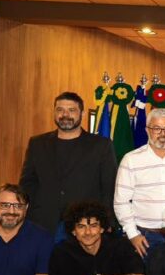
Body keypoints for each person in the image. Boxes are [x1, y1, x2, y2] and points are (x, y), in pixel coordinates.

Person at [19, 92, 117, 241]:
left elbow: (109, 186)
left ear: (82, 114)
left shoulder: (101, 146)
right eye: (60, 110)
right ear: (54, 112)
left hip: (84, 225)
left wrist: (107, 220)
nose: (65, 115)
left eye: (71, 110)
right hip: (43, 222)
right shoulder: (37, 144)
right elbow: (27, 184)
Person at [114, 108, 165, 259]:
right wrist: (133, 234)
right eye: (157, 128)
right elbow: (121, 201)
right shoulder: (131, 160)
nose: (163, 134)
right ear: (147, 130)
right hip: (144, 237)